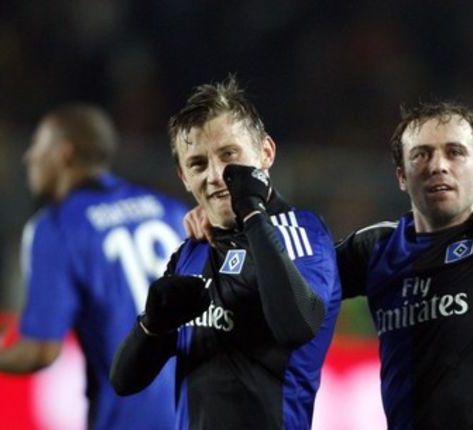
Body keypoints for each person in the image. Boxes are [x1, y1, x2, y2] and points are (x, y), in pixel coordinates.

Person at [185, 1, 473, 428]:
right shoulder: (376, 250)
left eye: (455, 152)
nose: (437, 165)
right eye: (421, 155)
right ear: (400, 175)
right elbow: (286, 280)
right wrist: (221, 219)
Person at [109, 75, 341, 430]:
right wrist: (151, 327)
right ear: (184, 177)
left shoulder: (299, 233)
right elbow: (125, 381)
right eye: (198, 164)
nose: (216, 175)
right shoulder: (191, 251)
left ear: (266, 153)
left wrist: (251, 210)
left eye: (229, 155)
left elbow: (297, 325)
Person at [0, 104, 186, 429]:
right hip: (196, 411)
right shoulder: (169, 208)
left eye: (38, 145)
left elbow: (42, 351)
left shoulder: (57, 226)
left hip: (129, 417)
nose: (29, 157)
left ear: (65, 154)